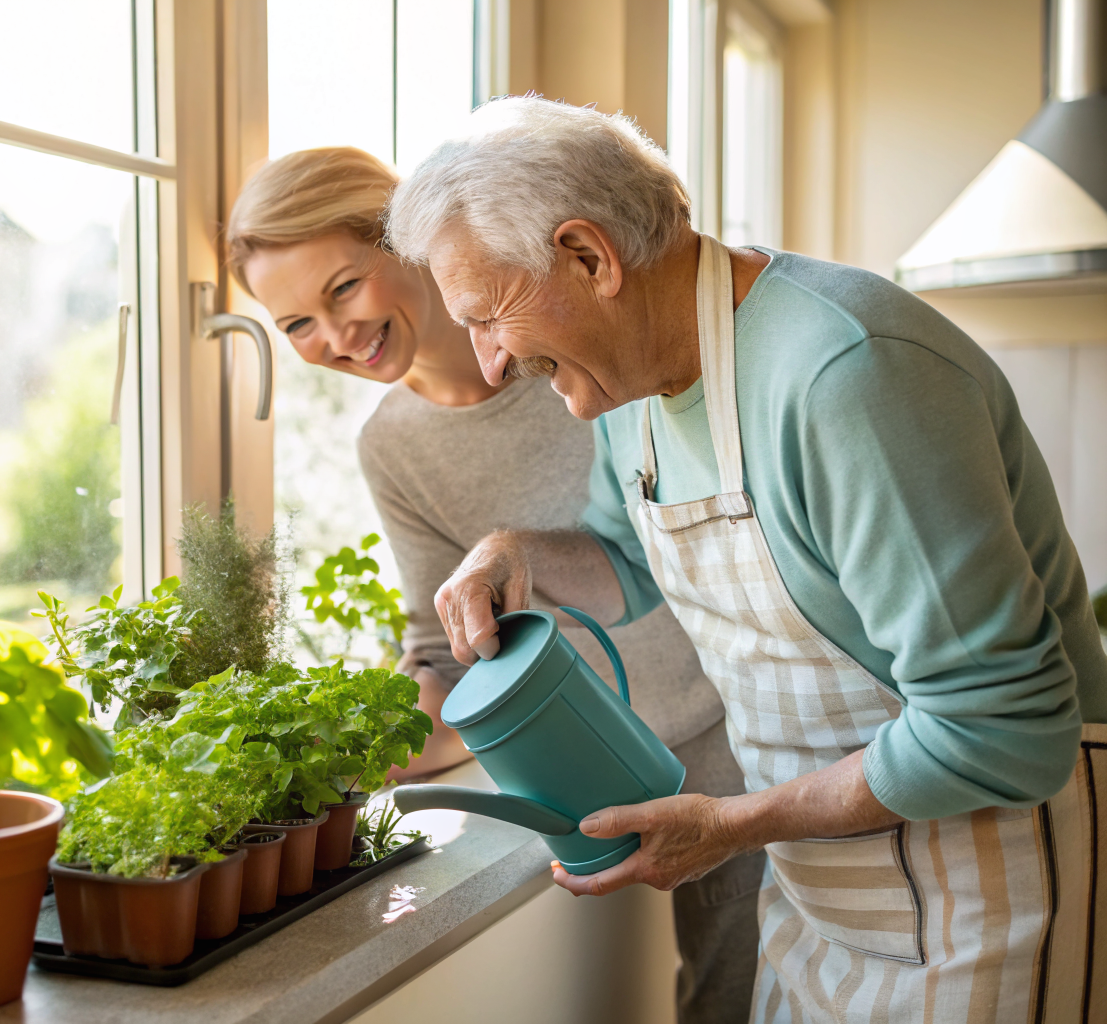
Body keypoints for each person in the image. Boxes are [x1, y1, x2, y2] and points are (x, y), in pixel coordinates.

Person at [385, 96, 1107, 1023]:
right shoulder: (635, 388)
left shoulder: (848, 374)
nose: (487, 364)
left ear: (588, 257)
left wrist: (731, 825)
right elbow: (627, 558)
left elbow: (1003, 728)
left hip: (993, 892)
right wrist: (513, 551)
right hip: (820, 892)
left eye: (488, 317)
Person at [227, 146, 764, 1023]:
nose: (332, 337)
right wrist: (341, 748)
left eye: (342, 289)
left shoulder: (579, 333)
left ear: (408, 239)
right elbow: (441, 650)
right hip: (611, 770)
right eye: (294, 325)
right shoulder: (391, 445)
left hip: (754, 733)